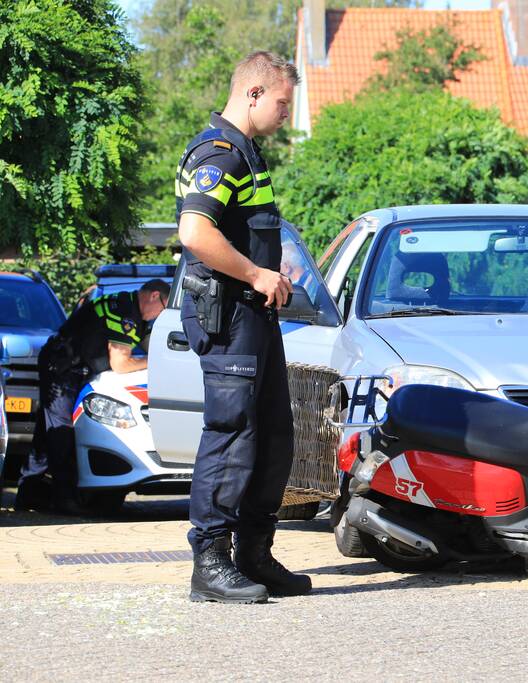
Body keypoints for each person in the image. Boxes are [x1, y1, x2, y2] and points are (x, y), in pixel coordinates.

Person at [175, 51, 310, 604]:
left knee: (274, 434)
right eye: (282, 103)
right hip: (229, 315)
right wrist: (256, 273)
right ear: (253, 94)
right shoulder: (220, 152)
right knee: (233, 433)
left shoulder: (247, 154)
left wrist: (273, 266)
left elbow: (238, 231)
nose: (286, 115)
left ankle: (254, 553)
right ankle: (210, 562)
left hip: (254, 314)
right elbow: (194, 232)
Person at [15, 281, 169, 512]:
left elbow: (150, 346)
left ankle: (28, 493)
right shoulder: (125, 313)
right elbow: (121, 363)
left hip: (68, 363)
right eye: (163, 307)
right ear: (154, 296)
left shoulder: (128, 305)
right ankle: (64, 499)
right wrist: (155, 362)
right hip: (62, 365)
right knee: (61, 431)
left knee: (47, 431)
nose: (161, 315)